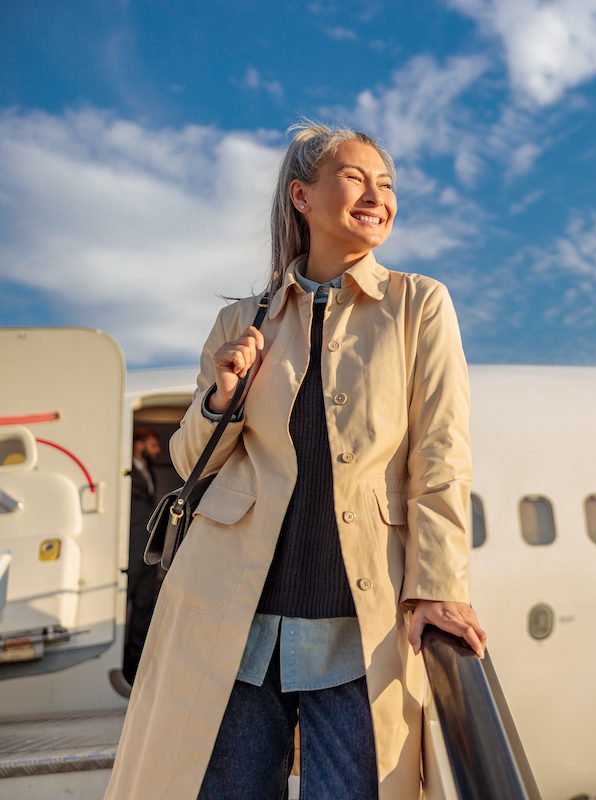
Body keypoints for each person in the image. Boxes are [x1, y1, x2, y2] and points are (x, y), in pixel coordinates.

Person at [104, 121, 486, 800]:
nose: (378, 195)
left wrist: (439, 586)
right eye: (356, 177)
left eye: (388, 184)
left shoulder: (417, 305)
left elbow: (441, 454)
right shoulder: (242, 322)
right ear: (302, 197)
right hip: (237, 617)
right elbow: (193, 459)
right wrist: (223, 395)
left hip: (356, 619)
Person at [123, 428, 163, 684]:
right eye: (152, 444)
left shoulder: (148, 471)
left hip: (144, 550)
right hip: (129, 550)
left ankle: (136, 666)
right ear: (138, 444)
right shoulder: (125, 470)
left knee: (144, 606)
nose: (157, 450)